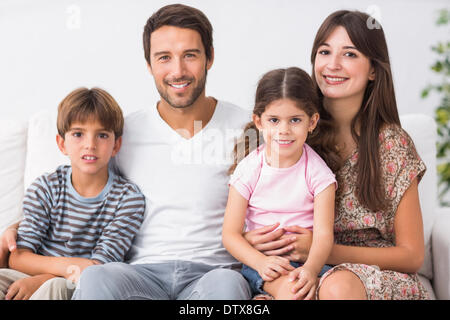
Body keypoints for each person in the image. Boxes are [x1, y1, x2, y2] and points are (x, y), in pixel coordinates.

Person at [67, 4, 252, 299]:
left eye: (190, 55)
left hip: (214, 274)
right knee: (96, 277)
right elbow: (82, 189)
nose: (177, 71)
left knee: (227, 287)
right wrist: (18, 229)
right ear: (149, 64)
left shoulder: (247, 129)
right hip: (141, 275)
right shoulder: (122, 133)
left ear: (210, 58)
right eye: (164, 58)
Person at [244, 10, 430, 300]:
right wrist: (250, 241)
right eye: (325, 51)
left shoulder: (392, 144)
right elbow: (243, 213)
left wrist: (321, 249)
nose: (332, 65)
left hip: (370, 275)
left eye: (350, 54)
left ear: (373, 69)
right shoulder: (290, 131)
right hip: (298, 269)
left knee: (336, 287)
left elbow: (412, 255)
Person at [0, 87, 146, 300]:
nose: (90, 145)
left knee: (55, 288)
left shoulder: (127, 199)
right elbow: (18, 257)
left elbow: (97, 270)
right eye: (78, 134)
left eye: (102, 135)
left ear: (116, 145)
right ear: (62, 143)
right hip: (31, 275)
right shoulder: (45, 188)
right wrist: (56, 270)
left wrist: (45, 280)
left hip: (80, 284)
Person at [222, 67, 337, 300]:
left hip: (309, 262)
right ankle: (268, 293)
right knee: (293, 293)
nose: (284, 130)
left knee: (323, 291)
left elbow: (324, 236)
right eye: (274, 120)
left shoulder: (318, 173)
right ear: (259, 121)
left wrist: (311, 270)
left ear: (312, 121)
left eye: (295, 120)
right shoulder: (250, 169)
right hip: (263, 264)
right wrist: (260, 261)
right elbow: (230, 234)